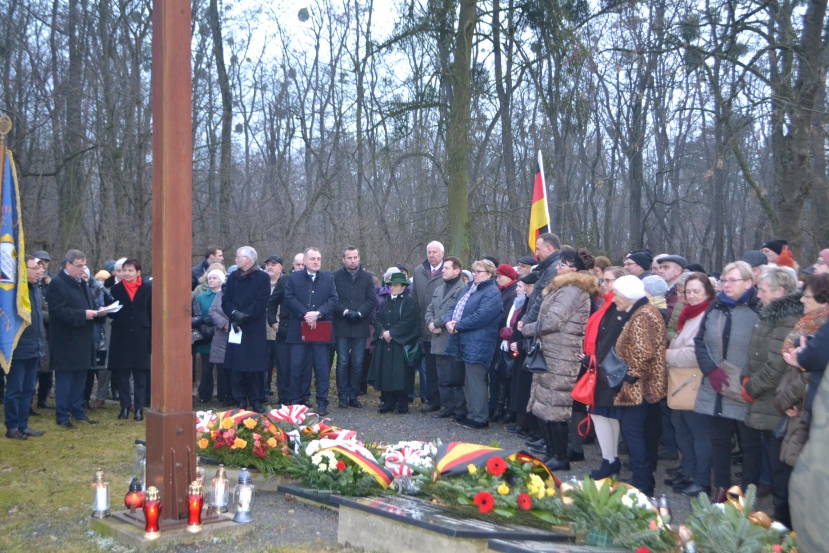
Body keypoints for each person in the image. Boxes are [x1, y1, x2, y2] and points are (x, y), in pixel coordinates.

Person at [582, 275, 666, 496]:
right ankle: (641, 478)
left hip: (639, 386)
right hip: (637, 384)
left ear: (628, 296)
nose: (614, 297)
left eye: (617, 294)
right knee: (634, 433)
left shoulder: (643, 315)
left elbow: (644, 351)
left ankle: (643, 482)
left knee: (633, 433)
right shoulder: (640, 311)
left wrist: (629, 377)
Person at [521, 248, 597, 470]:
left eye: (562, 264)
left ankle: (561, 457)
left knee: (556, 406)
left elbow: (554, 321)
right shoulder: (563, 288)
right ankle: (551, 452)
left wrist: (527, 328)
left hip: (563, 355)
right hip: (551, 352)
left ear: (574, 269)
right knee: (544, 404)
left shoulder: (573, 290)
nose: (557, 267)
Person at [694, 260, 761, 503]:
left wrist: (751, 379)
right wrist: (710, 369)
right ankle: (721, 487)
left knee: (750, 444)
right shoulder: (714, 307)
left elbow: (763, 350)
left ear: (749, 283)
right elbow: (699, 342)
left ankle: (747, 492)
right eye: (724, 280)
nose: (727, 285)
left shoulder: (759, 309)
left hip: (746, 386)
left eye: (733, 280)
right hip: (716, 385)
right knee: (719, 440)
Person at [741, 267, 803, 528]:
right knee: (770, 457)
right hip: (764, 396)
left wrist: (750, 388)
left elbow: (776, 365)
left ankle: (786, 520)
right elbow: (753, 354)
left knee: (780, 464)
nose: (758, 294)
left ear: (780, 292)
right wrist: (746, 378)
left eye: (762, 290)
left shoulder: (788, 320)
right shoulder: (768, 315)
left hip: (776, 398)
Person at [664, 272, 715, 497]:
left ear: (708, 293)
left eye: (697, 291)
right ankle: (688, 471)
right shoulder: (689, 314)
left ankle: (702, 480)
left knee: (698, 432)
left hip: (696, 381)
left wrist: (666, 354)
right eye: (688, 291)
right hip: (682, 380)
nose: (691, 295)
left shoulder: (707, 315)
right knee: (681, 427)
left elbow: (695, 353)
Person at [775, 274, 829, 483]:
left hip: (808, 407)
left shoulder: (820, 326)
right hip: (797, 403)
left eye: (807, 296)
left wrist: (787, 399)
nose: (801, 300)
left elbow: (812, 360)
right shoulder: (804, 323)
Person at [47, 250, 103, 428]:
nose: (82, 270)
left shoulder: (81, 283)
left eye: (84, 266)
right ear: (67, 265)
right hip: (66, 341)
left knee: (81, 377)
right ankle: (62, 415)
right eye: (79, 266)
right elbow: (58, 311)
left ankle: (77, 410)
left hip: (83, 339)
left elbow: (89, 305)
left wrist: (100, 311)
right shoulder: (57, 283)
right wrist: (83, 315)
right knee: (65, 379)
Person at [445, 259, 502, 429]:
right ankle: (472, 414)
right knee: (468, 380)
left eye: (479, 272)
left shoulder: (492, 293)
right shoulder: (470, 288)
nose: (474, 274)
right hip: (464, 340)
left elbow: (482, 316)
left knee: (476, 380)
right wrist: (448, 321)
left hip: (480, 341)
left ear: (489, 274)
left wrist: (458, 325)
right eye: (474, 271)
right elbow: (453, 307)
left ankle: (480, 417)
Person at [284, 247, 338, 415]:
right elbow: (289, 298)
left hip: (320, 330)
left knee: (322, 368)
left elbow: (334, 299)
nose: (316, 262)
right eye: (313, 259)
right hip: (298, 329)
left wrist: (318, 313)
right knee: (297, 367)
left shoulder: (329, 279)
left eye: (319, 259)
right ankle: (296, 402)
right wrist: (305, 314)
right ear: (305, 261)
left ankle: (322, 402)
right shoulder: (292, 278)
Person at [221, 246, 271, 413]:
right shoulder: (233, 277)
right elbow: (226, 299)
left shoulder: (262, 277)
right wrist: (234, 313)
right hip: (236, 327)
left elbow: (261, 301)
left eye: (238, 257)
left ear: (248, 259)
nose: (235, 260)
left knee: (254, 368)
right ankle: (239, 400)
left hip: (253, 328)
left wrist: (246, 315)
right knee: (236, 367)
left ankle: (255, 400)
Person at [4, 256, 47, 439]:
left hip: (34, 347)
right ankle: (12, 426)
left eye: (41, 268)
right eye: (35, 268)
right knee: (15, 389)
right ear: (24, 270)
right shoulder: (14, 292)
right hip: (18, 348)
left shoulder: (36, 289)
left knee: (29, 388)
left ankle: (23, 424)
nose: (40, 272)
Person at [368, 272, 420, 414]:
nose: (392, 287)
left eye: (396, 285)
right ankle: (388, 402)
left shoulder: (409, 302)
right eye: (391, 285)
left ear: (403, 286)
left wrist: (392, 333)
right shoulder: (386, 302)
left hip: (399, 344)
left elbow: (408, 322)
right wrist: (383, 332)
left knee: (400, 374)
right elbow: (377, 319)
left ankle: (402, 404)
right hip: (385, 343)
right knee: (386, 373)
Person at [108, 258, 152, 421]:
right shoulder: (115, 289)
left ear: (138, 272)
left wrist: (151, 336)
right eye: (124, 270)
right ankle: (125, 407)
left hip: (142, 335)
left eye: (130, 270)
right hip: (122, 335)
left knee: (140, 374)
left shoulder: (147, 289)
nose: (126, 273)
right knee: (123, 373)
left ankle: (139, 409)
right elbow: (112, 311)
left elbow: (151, 312)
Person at [332, 246, 376, 409]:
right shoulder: (335, 277)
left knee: (358, 363)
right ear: (343, 259)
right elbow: (333, 298)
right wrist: (345, 311)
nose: (352, 260)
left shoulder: (367, 277)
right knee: (342, 362)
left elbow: (371, 300)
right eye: (349, 258)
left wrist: (359, 313)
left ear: (359, 258)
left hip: (360, 324)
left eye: (355, 257)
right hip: (342, 324)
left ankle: (353, 395)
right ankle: (342, 396)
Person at [424, 256, 467, 420]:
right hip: (437, 337)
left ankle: (459, 409)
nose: (443, 270)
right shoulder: (439, 289)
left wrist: (437, 323)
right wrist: (430, 323)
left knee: (455, 376)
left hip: (451, 339)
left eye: (446, 268)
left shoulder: (462, 290)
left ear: (457, 271)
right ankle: (446, 406)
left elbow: (455, 311)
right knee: (441, 375)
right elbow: (430, 308)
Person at [411, 241, 446, 413]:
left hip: (442, 329)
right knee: (430, 367)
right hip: (425, 327)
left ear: (442, 253)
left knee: (444, 368)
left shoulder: (448, 270)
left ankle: (446, 401)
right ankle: (433, 400)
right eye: (429, 252)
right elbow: (414, 298)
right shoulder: (419, 271)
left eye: (435, 252)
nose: (431, 255)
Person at [507, 272, 540, 436]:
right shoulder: (527, 301)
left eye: (529, 285)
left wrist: (520, 344)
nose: (525, 288)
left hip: (529, 350)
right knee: (519, 389)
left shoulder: (536, 303)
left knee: (527, 389)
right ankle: (521, 421)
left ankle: (529, 425)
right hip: (520, 349)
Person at [193, 269, 226, 404]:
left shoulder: (226, 296)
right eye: (210, 278)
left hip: (222, 333)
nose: (211, 280)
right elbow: (197, 314)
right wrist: (204, 323)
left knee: (222, 367)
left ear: (221, 280)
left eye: (215, 278)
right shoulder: (201, 297)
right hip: (206, 335)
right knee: (206, 366)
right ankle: (204, 393)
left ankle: (223, 394)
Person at [491, 263, 519, 421]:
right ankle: (499, 407)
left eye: (500, 276)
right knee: (500, 373)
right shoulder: (502, 291)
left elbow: (506, 315)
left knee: (506, 374)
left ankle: (506, 408)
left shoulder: (512, 292)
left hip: (506, 337)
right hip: (501, 338)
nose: (497, 279)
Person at [520, 234, 561, 329]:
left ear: (548, 248)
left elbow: (542, 299)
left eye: (538, 249)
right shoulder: (547, 267)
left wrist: (526, 322)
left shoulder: (553, 269)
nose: (536, 254)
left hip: (539, 327)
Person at [208, 276, 233, 407]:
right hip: (221, 335)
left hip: (237, 333)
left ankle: (236, 395)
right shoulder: (220, 294)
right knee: (222, 368)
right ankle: (224, 396)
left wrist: (234, 323)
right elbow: (212, 311)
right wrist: (224, 323)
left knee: (235, 367)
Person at [263, 255, 283, 402]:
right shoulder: (260, 283)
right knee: (264, 365)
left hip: (280, 331)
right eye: (268, 264)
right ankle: (263, 391)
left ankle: (282, 395)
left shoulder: (286, 283)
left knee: (281, 365)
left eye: (273, 264)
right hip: (262, 332)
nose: (270, 267)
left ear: (281, 268)